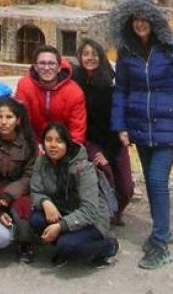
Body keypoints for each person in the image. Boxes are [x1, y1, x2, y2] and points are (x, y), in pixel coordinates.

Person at [110, 0, 173, 270]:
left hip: (169, 125)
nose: (140, 23)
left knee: (155, 180)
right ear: (129, 23)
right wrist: (120, 126)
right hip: (140, 126)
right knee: (154, 185)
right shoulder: (127, 52)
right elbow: (121, 91)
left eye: (145, 19)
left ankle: (162, 243)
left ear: (154, 22)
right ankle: (159, 233)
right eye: (135, 19)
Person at [30, 121, 119, 268]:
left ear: (67, 143)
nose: (52, 145)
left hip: (92, 220)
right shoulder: (41, 162)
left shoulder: (83, 168)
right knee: (36, 220)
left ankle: (108, 247)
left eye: (59, 141)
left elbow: (89, 210)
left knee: (66, 245)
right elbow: (35, 191)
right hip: (63, 211)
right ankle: (65, 244)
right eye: (48, 140)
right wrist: (45, 202)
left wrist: (60, 226)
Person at [72, 38, 133, 225]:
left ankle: (116, 211)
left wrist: (108, 152)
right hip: (91, 141)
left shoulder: (110, 85)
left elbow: (118, 118)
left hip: (114, 140)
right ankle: (104, 217)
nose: (89, 58)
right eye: (85, 54)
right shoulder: (76, 81)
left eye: (94, 54)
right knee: (104, 178)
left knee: (126, 187)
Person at [0, 96, 37, 263]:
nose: (4, 122)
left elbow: (29, 176)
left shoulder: (29, 141)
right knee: (0, 239)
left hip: (19, 194)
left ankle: (25, 242)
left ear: (18, 120)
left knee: (24, 218)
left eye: (9, 117)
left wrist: (10, 194)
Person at [14, 45, 87, 146]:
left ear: (59, 68)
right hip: (32, 143)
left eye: (51, 63)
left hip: (63, 144)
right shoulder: (24, 86)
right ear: (35, 67)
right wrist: (34, 148)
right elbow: (21, 123)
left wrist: (67, 153)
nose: (47, 68)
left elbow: (77, 131)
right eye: (42, 63)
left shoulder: (74, 92)